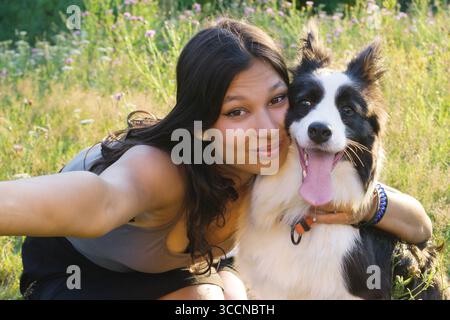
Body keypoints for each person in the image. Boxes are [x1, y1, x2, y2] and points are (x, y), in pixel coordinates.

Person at [0, 19, 432, 300]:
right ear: (203, 122)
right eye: (236, 112)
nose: (265, 126)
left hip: (184, 271)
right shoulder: (163, 168)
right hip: (80, 273)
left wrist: (366, 206)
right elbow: (100, 201)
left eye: (278, 99)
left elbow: (418, 224)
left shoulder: (287, 159)